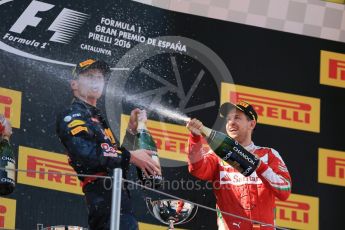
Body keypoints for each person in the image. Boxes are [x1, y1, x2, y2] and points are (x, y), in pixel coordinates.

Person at [56, 58, 160, 230]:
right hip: (102, 196)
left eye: (99, 77)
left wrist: (132, 132)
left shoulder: (96, 117)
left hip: (118, 197)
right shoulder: (72, 114)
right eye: (89, 76)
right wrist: (131, 156)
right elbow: (86, 154)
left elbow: (115, 159)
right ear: (74, 84)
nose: (96, 80)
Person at [186, 101, 292, 230]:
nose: (231, 122)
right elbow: (197, 169)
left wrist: (260, 167)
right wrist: (195, 138)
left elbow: (285, 191)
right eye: (228, 119)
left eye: (237, 117)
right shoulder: (217, 155)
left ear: (251, 124)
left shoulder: (269, 155)